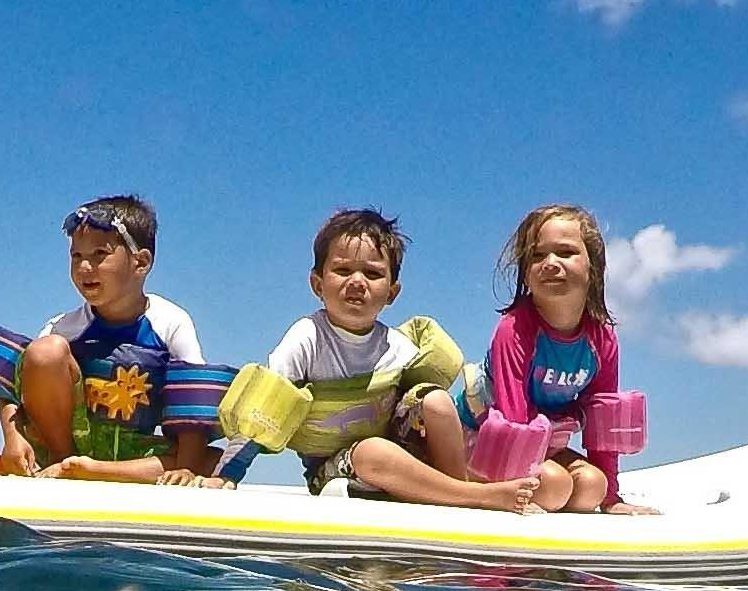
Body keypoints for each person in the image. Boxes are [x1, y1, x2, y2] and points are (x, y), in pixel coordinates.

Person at [227, 209, 526, 510]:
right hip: (334, 470)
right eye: (343, 271)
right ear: (317, 284)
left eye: (372, 273)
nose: (357, 282)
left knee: (436, 400)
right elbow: (261, 413)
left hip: (398, 456)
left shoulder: (398, 346)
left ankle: (457, 489)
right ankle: (475, 498)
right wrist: (227, 475)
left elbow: (429, 416)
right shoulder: (306, 339)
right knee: (373, 451)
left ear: (392, 293)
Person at [0, 196, 229, 485]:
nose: (84, 267)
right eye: (76, 256)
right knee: (44, 353)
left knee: (211, 461)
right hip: (68, 446)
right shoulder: (63, 327)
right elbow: (11, 390)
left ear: (140, 263)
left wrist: (187, 469)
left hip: (134, 452)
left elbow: (192, 404)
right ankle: (62, 462)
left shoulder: (171, 323)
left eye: (99, 255)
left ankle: (88, 471)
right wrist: (13, 438)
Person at [454, 204, 648, 514]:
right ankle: (481, 484)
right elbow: (513, 416)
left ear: (592, 267)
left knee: (592, 488)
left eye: (565, 252)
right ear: (525, 273)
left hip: (543, 443)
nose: (550, 263)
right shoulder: (515, 329)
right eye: (537, 255)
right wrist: (515, 493)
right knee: (555, 486)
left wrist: (612, 500)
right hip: (480, 438)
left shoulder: (602, 340)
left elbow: (604, 421)